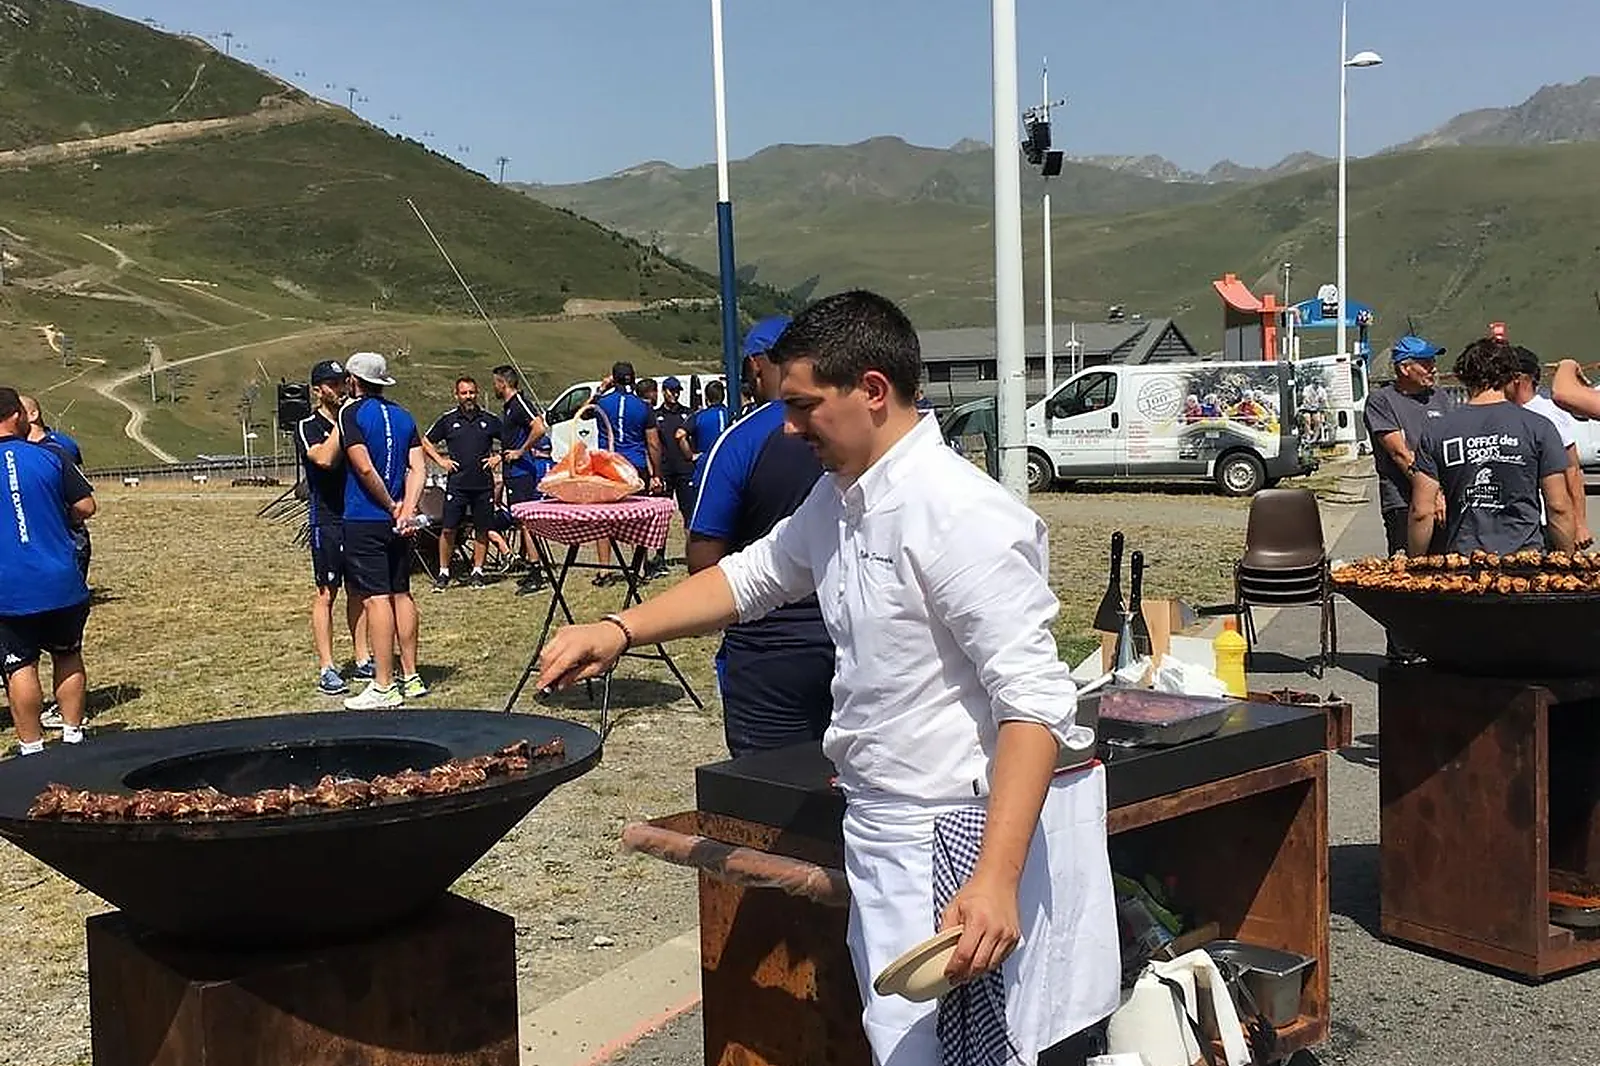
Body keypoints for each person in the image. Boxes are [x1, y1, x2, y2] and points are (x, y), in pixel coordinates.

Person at [536, 291, 1117, 1066]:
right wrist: (619, 628)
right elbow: (752, 577)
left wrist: (995, 880)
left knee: (951, 1054)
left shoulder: (959, 515)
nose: (789, 426)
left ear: (872, 390)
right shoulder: (841, 497)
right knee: (901, 1043)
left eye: (804, 405)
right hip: (879, 824)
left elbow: (1034, 705)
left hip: (954, 834)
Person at [686, 314, 835, 756]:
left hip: (767, 654)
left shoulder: (741, 440)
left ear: (755, 365)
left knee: (770, 790)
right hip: (851, 645)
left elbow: (703, 561)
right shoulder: (850, 440)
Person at [1410, 337, 1575, 556]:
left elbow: (1421, 511)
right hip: (1524, 559)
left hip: (1465, 559)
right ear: (1511, 377)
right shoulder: (1539, 427)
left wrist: (1415, 563)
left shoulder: (1437, 431)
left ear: (1463, 377)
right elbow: (1558, 506)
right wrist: (1567, 559)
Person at [0, 387, 96, 755]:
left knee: (19, 665)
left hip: (9, 585)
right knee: (67, 654)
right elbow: (86, 506)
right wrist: (58, 516)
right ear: (16, 416)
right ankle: (72, 734)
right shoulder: (50, 456)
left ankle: (32, 748)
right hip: (60, 578)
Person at [338, 352, 428, 710]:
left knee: (376, 598)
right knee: (401, 593)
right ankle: (411, 675)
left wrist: (391, 506)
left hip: (365, 516)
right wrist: (407, 508)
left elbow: (363, 467)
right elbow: (418, 467)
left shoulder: (351, 413)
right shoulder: (403, 415)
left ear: (353, 380)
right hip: (398, 520)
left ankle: (383, 684)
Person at [1362, 335, 1453, 663]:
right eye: (1426, 363)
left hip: (1445, 502)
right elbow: (1401, 454)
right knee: (1406, 573)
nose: (1433, 368)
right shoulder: (1381, 401)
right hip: (1404, 502)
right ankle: (1403, 651)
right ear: (1404, 368)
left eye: (1433, 361)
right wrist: (1433, 493)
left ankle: (1441, 646)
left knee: (1443, 574)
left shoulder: (1441, 398)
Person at [297, 359, 371, 696]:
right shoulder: (308, 426)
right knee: (327, 592)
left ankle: (362, 656)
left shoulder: (352, 420)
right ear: (318, 390)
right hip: (326, 518)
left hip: (356, 514)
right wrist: (343, 421)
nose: (340, 389)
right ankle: (327, 666)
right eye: (332, 384)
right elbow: (324, 459)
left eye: (343, 382)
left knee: (359, 590)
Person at [580, 363, 662, 583]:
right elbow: (653, 443)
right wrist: (657, 474)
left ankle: (604, 569)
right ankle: (640, 568)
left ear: (613, 379)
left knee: (603, 516)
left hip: (608, 464)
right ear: (634, 379)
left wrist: (600, 389)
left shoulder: (602, 402)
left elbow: (583, 413)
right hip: (635, 465)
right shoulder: (643, 406)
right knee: (637, 516)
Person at [423, 376, 504, 591]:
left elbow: (510, 440)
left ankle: (477, 571)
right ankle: (443, 572)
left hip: (483, 484)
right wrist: (441, 461)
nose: (468, 396)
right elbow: (426, 441)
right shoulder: (448, 420)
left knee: (482, 529)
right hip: (457, 485)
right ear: (456, 395)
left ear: (477, 393)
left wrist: (499, 457)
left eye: (471, 392)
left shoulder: (489, 419)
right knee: (449, 529)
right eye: (464, 393)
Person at [1506, 346, 1592, 549]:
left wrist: (1580, 524)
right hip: (1514, 522)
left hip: (1548, 524)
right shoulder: (1504, 411)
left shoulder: (1548, 412)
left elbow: (1572, 470)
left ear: (1517, 378)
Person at [491, 365, 550, 595]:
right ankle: (532, 565)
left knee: (526, 521)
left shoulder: (518, 403)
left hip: (521, 472)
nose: (494, 388)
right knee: (521, 520)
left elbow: (539, 427)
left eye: (495, 383)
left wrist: (521, 451)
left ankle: (536, 570)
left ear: (503, 383)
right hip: (512, 472)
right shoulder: (508, 408)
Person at [19, 395, 91, 581]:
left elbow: (82, 501)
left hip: (67, 534)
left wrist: (66, 521)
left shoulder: (60, 447)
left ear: (33, 414)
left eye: (18, 412)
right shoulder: (16, 451)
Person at [654, 376, 696, 522]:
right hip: (665, 470)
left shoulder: (688, 414)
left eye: (677, 391)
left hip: (685, 470)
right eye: (672, 391)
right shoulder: (656, 416)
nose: (675, 394)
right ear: (663, 392)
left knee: (689, 512)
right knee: (662, 514)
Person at [684, 379, 733, 485]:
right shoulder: (731, 414)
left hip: (705, 468)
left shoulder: (699, 416)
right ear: (723, 396)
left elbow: (680, 435)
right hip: (729, 467)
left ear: (706, 398)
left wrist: (690, 455)